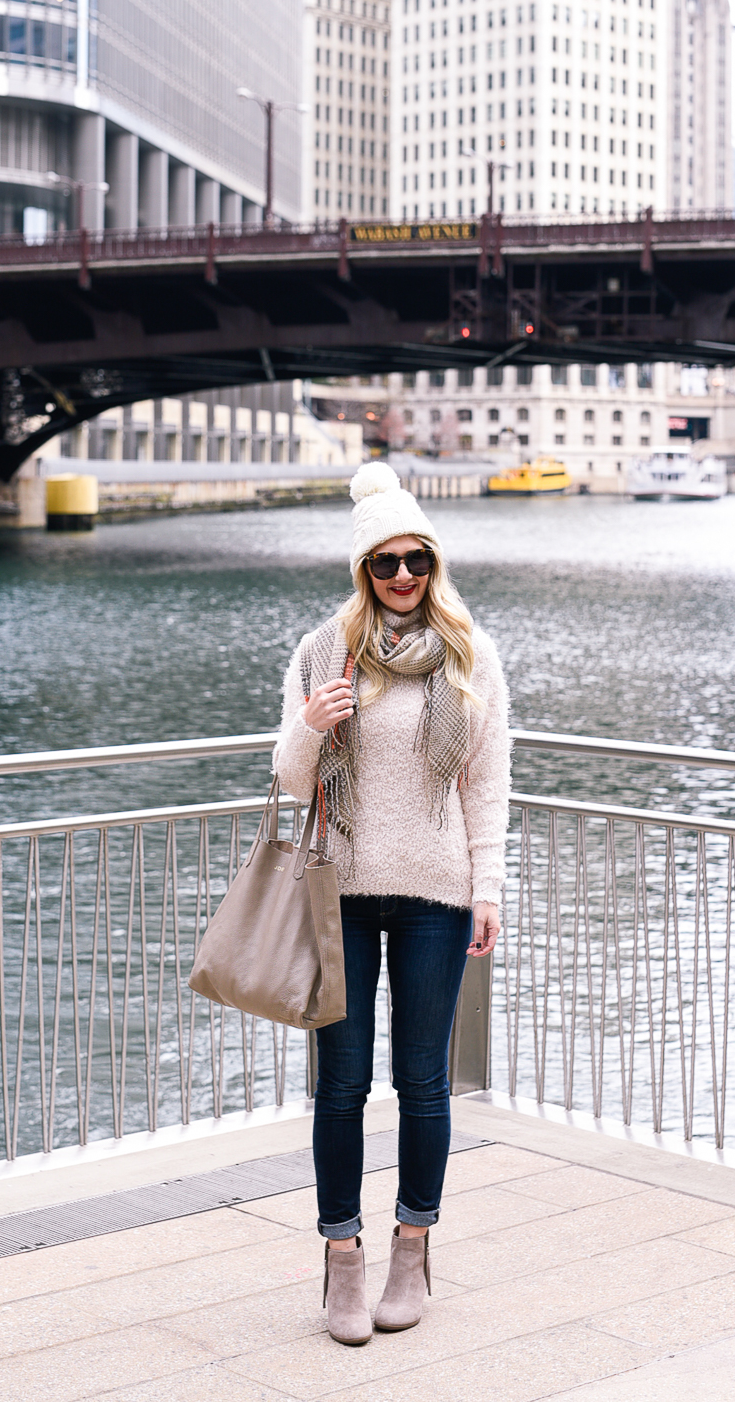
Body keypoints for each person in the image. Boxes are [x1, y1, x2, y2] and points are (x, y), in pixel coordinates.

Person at [273, 462, 510, 1345]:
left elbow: (487, 784)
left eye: (417, 560)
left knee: (423, 1081)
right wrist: (312, 722)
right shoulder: (320, 651)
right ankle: (343, 1258)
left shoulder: (469, 651)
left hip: (436, 896)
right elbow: (291, 779)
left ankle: (412, 1246)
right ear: (362, 568)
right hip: (341, 888)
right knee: (341, 1085)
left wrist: (486, 889)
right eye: (386, 562)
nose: (404, 576)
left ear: (434, 563)